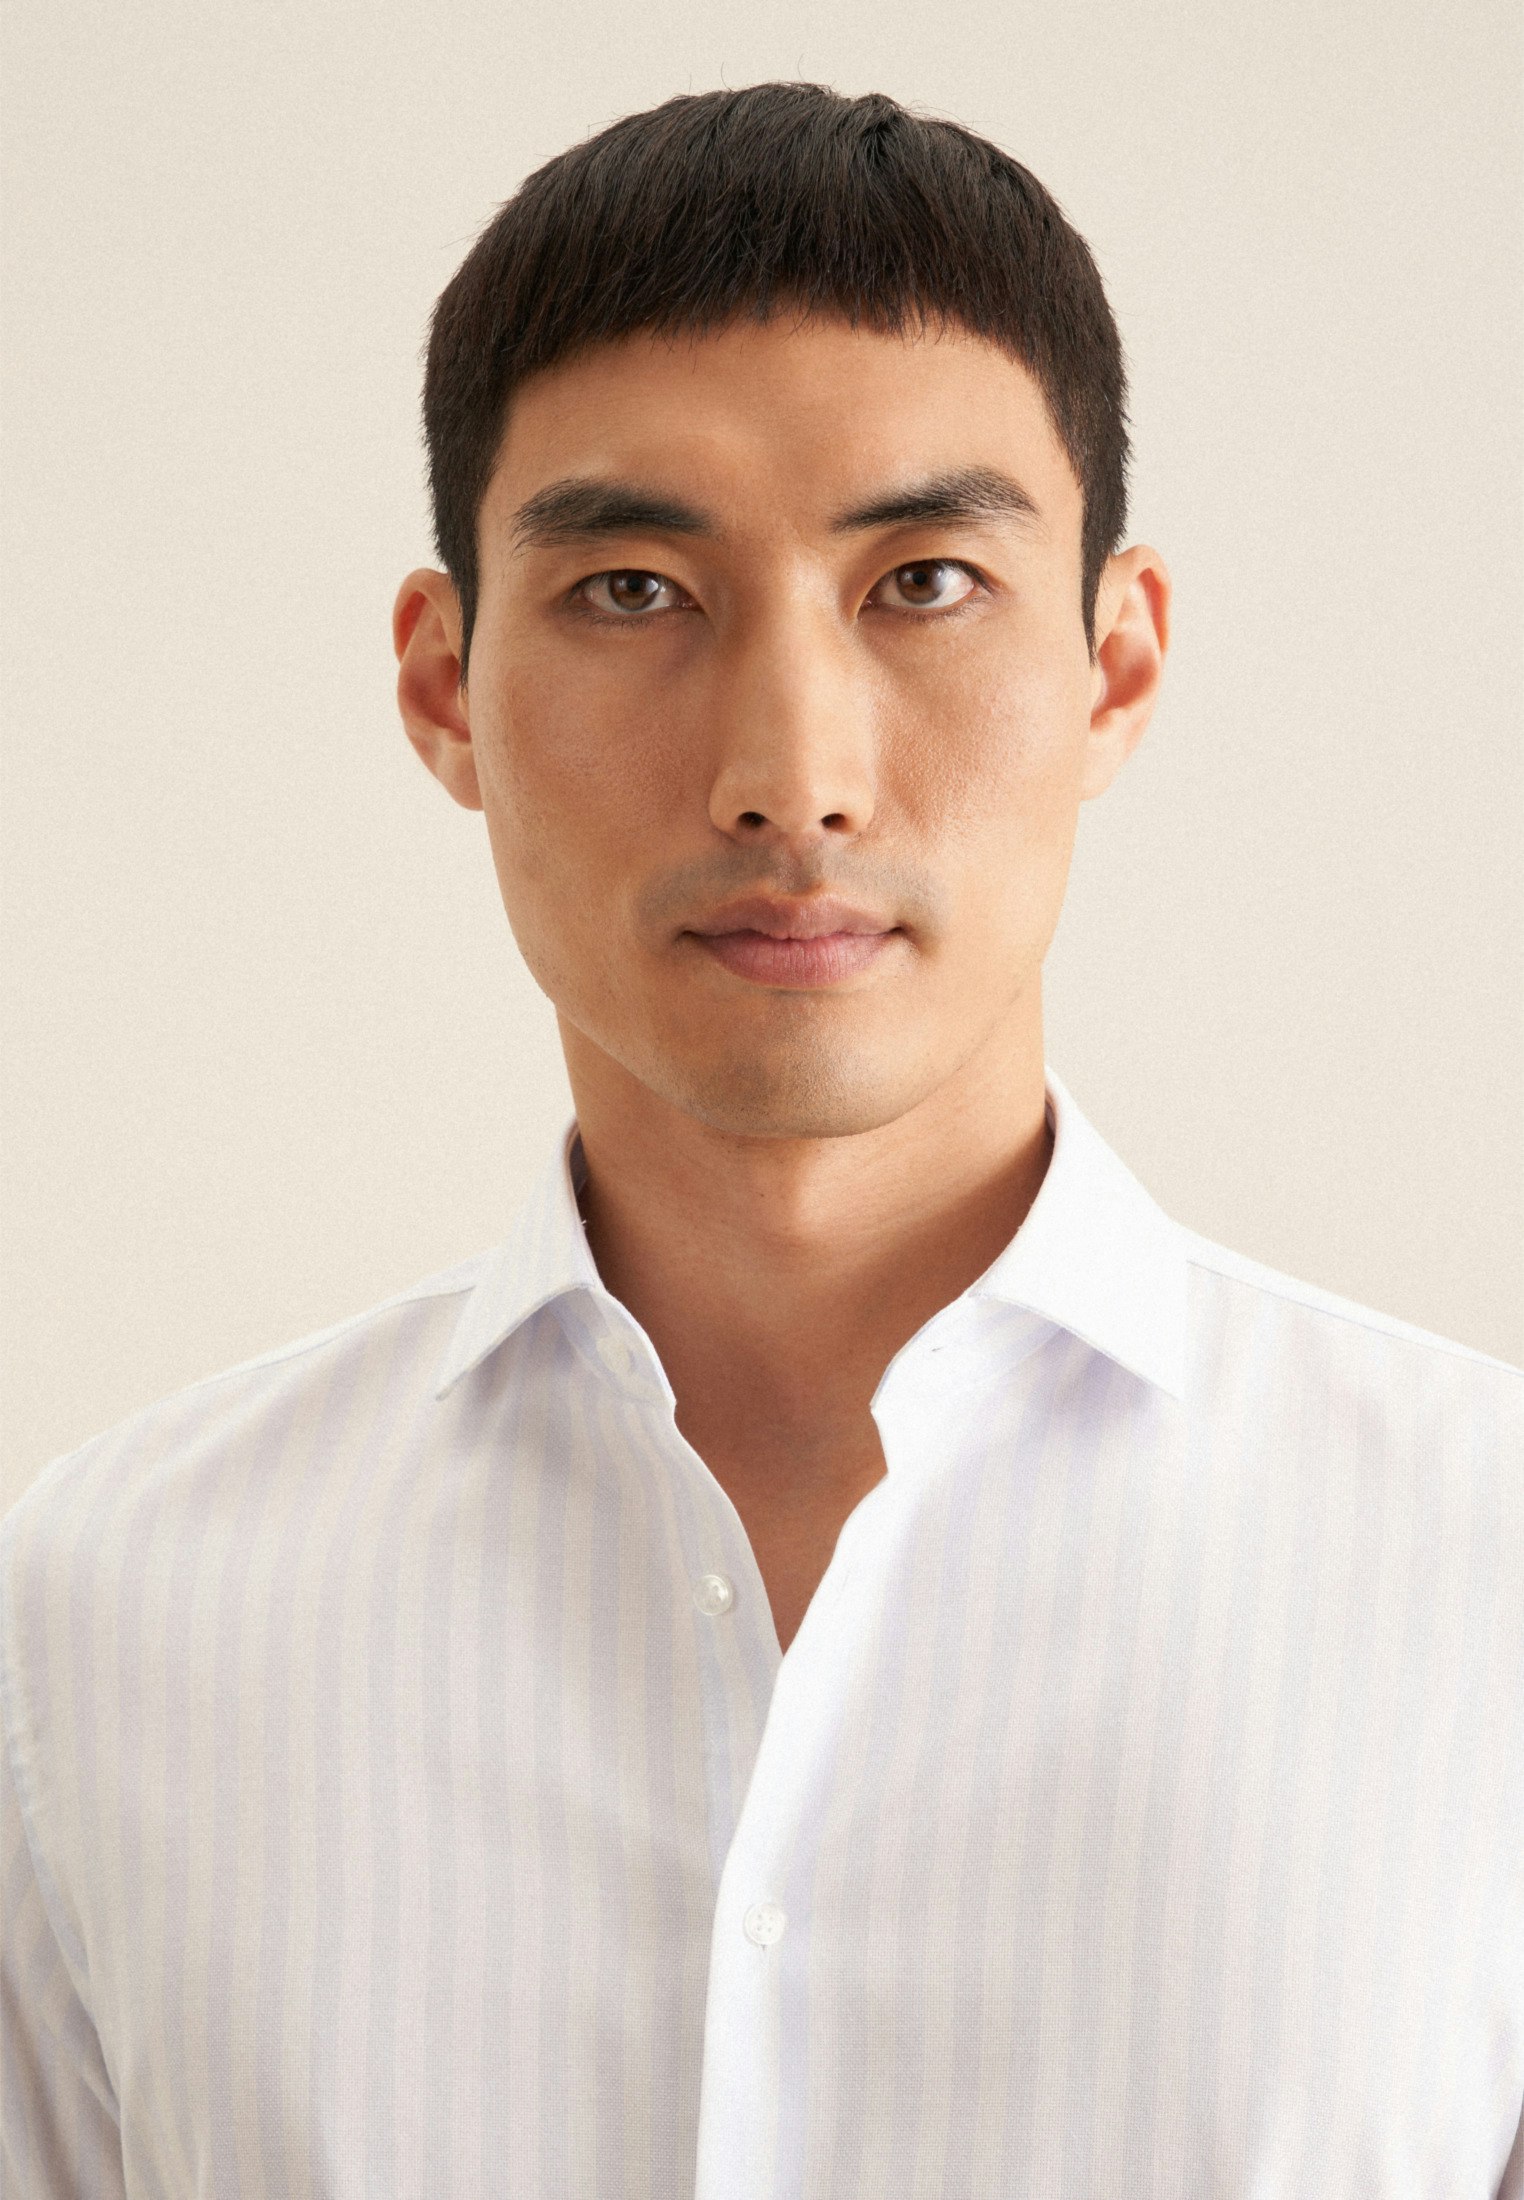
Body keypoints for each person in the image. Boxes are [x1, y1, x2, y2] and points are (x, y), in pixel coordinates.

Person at [2, 82, 1520, 2200]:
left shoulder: (1481, 1582)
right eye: (634, 588)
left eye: (926, 580)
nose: (789, 773)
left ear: (1114, 664)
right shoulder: (106, 1619)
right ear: (444, 687)